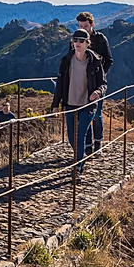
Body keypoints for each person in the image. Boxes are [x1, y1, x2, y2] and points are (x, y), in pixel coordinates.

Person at [51, 28, 107, 177]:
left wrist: (98, 92)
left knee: (81, 135)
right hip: (70, 103)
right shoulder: (66, 61)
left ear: (87, 43)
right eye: (75, 40)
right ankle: (80, 159)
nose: (77, 43)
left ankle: (78, 167)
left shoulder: (95, 61)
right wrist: (55, 105)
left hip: (87, 105)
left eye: (81, 41)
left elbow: (103, 83)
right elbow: (60, 84)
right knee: (71, 137)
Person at [76, 11, 113, 152]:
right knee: (84, 115)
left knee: (96, 115)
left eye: (86, 26)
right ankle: (88, 147)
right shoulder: (76, 39)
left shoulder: (100, 39)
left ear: (92, 24)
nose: (83, 29)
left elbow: (109, 60)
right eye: (80, 26)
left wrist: (99, 77)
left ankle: (98, 143)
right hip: (81, 84)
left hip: (97, 85)